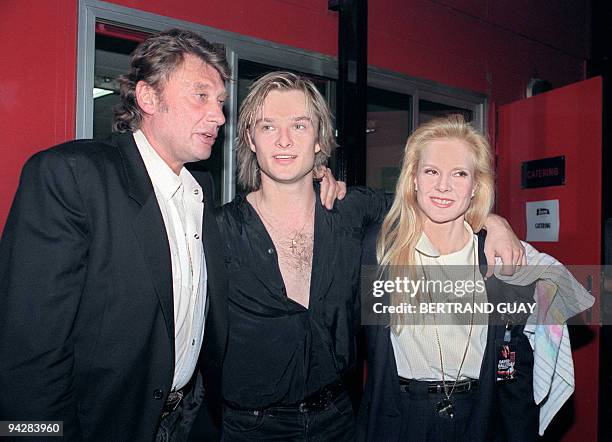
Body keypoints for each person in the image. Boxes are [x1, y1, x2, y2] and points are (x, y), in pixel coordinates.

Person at [216, 73, 526, 441]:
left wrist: (492, 220)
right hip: (250, 428)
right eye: (268, 126)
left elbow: (431, 201)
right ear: (251, 138)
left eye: (299, 125)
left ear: (320, 140)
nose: (284, 140)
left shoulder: (354, 212)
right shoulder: (216, 231)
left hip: (339, 422)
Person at [0, 29, 230, 441]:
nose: (218, 116)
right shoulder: (72, 176)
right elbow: (27, 354)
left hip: (187, 423)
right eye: (201, 96)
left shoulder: (201, 192)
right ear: (147, 98)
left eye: (220, 102)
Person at [357, 114, 593, 441]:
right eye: (431, 171)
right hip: (399, 417)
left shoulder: (498, 256)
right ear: (413, 179)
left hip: (480, 415)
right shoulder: (379, 250)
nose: (443, 185)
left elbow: (574, 303)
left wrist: (494, 224)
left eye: (459, 174)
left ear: (475, 186)